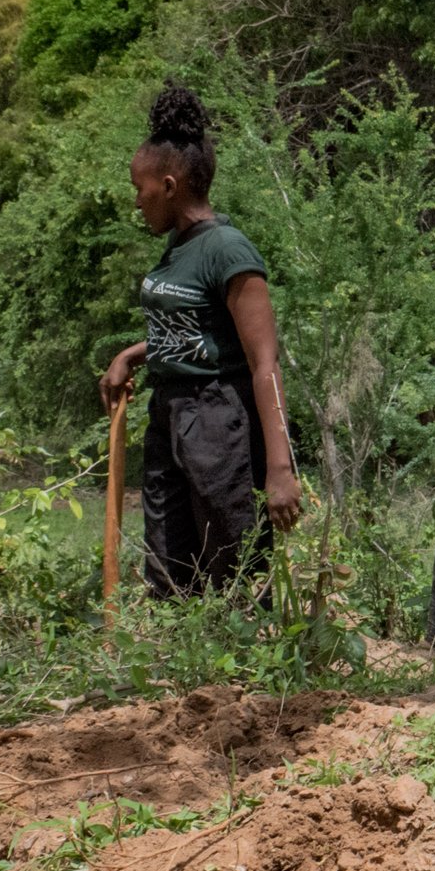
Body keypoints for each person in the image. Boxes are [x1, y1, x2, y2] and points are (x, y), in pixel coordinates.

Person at [99, 85, 305, 595]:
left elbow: (264, 364)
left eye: (139, 188)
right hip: (170, 416)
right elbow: (197, 328)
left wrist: (280, 470)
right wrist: (134, 353)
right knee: (170, 568)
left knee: (232, 567)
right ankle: (179, 670)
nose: (135, 201)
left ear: (169, 186)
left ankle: (243, 669)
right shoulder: (179, 245)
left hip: (219, 422)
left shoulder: (229, 251)